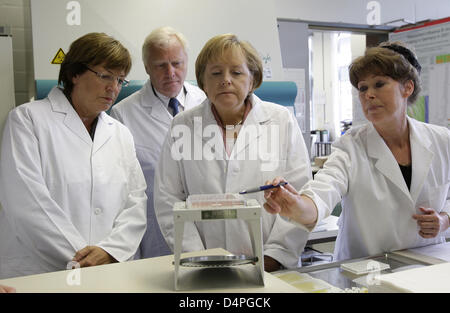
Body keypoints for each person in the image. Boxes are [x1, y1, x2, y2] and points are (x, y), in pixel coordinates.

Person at [264, 41, 450, 261]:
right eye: (363, 88)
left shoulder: (441, 140)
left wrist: (444, 219)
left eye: (379, 84)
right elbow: (323, 190)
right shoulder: (350, 146)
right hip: (367, 269)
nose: (368, 95)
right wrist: (298, 206)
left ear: (407, 88)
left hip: (428, 264)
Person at [154, 34, 312, 272]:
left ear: (252, 80)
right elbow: (168, 198)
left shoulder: (280, 120)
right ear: (203, 83)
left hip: (272, 266)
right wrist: (199, 256)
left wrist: (275, 255)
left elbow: (299, 192)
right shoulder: (182, 126)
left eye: (236, 73)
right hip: (203, 267)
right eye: (216, 73)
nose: (225, 80)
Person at [0, 33, 147, 279]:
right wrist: (84, 258)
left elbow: (136, 200)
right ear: (74, 73)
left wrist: (110, 251)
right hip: (42, 270)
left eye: (121, 80)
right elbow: (26, 201)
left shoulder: (120, 133)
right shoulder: (27, 120)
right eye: (105, 76)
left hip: (106, 269)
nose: (114, 88)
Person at [110, 27, 205, 259]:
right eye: (161, 65)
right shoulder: (123, 114)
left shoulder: (207, 102)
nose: (170, 72)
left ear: (187, 62)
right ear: (147, 68)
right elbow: (121, 187)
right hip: (152, 231)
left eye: (177, 63)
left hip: (204, 224)